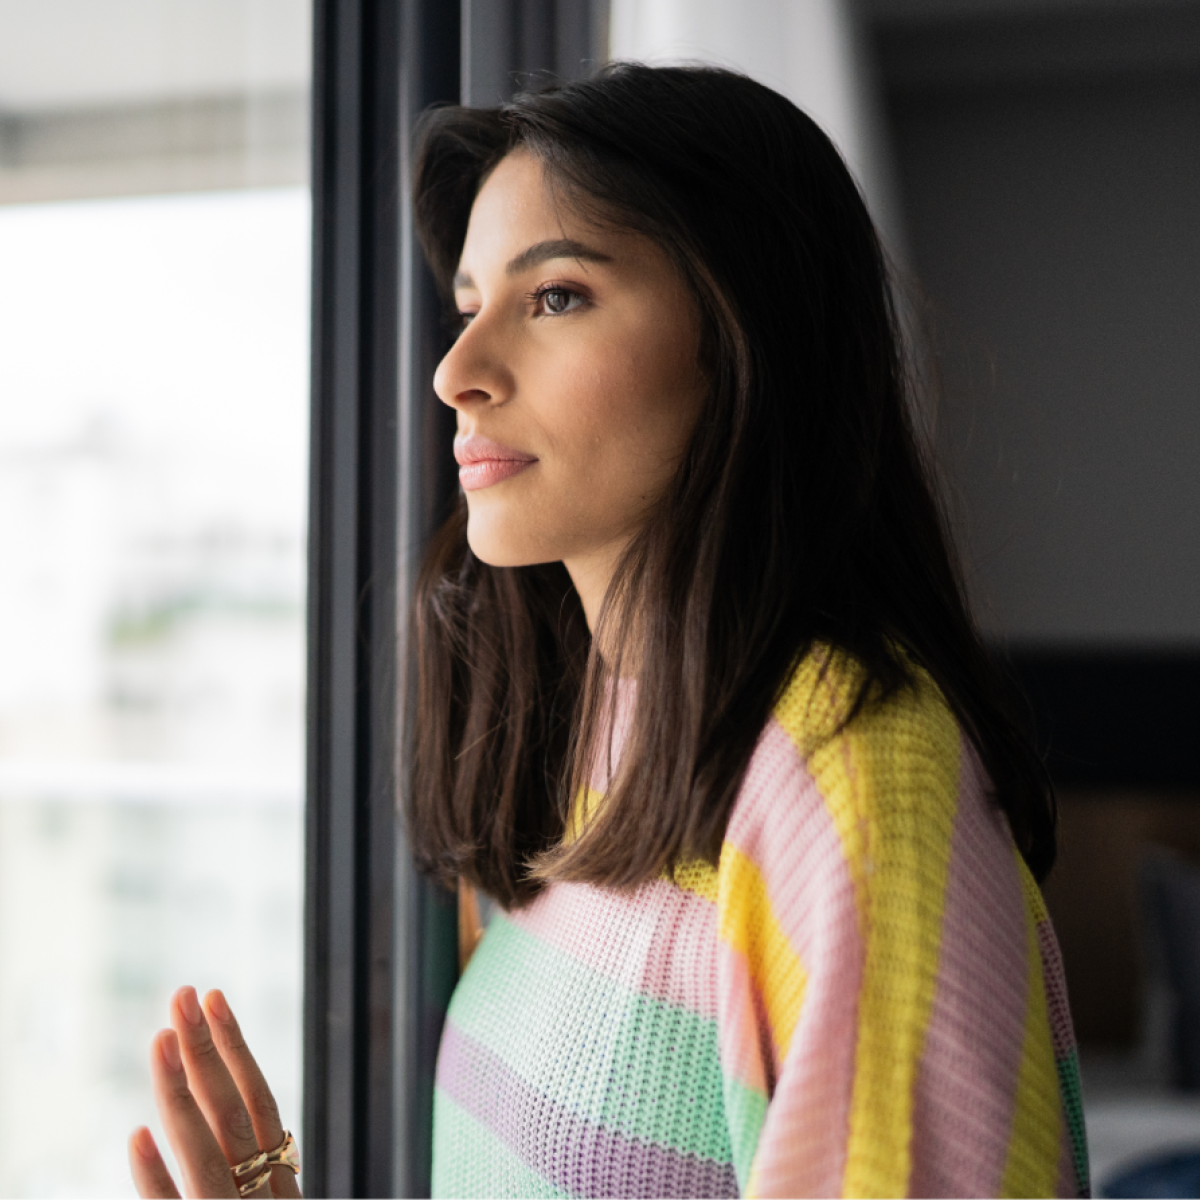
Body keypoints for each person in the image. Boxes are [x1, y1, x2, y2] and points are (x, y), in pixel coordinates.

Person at [130, 63, 1090, 1199]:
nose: (456, 372)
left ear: (744, 340)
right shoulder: (566, 742)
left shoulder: (848, 778)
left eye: (556, 297)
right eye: (468, 305)